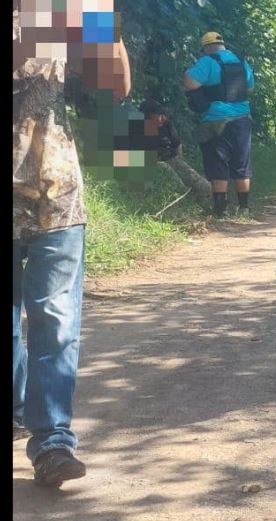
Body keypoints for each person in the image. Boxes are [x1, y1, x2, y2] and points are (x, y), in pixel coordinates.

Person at [13, 0, 131, 484]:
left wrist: (104, 23)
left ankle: (52, 440)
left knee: (56, 319)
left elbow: (114, 87)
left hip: (54, 191)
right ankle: (20, 407)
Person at [183, 31, 255, 218]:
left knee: (218, 164)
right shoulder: (241, 62)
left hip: (216, 120)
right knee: (242, 164)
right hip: (242, 120)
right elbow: (249, 88)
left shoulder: (208, 61)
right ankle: (244, 209)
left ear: (206, 47)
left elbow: (190, 82)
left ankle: (221, 211)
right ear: (223, 44)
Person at [139, 98, 212, 198]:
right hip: (155, 165)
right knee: (176, 182)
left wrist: (180, 161)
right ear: (148, 116)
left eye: (163, 115)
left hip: (172, 159)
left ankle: (210, 196)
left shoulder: (166, 125)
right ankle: (185, 197)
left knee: (201, 184)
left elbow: (177, 144)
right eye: (159, 115)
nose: (163, 118)